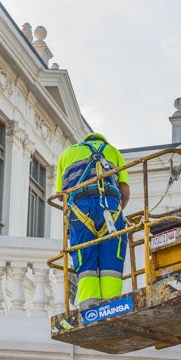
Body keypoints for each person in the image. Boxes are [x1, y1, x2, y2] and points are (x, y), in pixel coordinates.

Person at [55, 132, 131, 308]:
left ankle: (89, 308)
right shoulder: (113, 152)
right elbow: (125, 193)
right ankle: (111, 307)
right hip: (111, 208)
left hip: (80, 210)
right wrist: (115, 212)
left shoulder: (67, 154)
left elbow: (60, 196)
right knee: (111, 261)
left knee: (85, 259)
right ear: (101, 140)